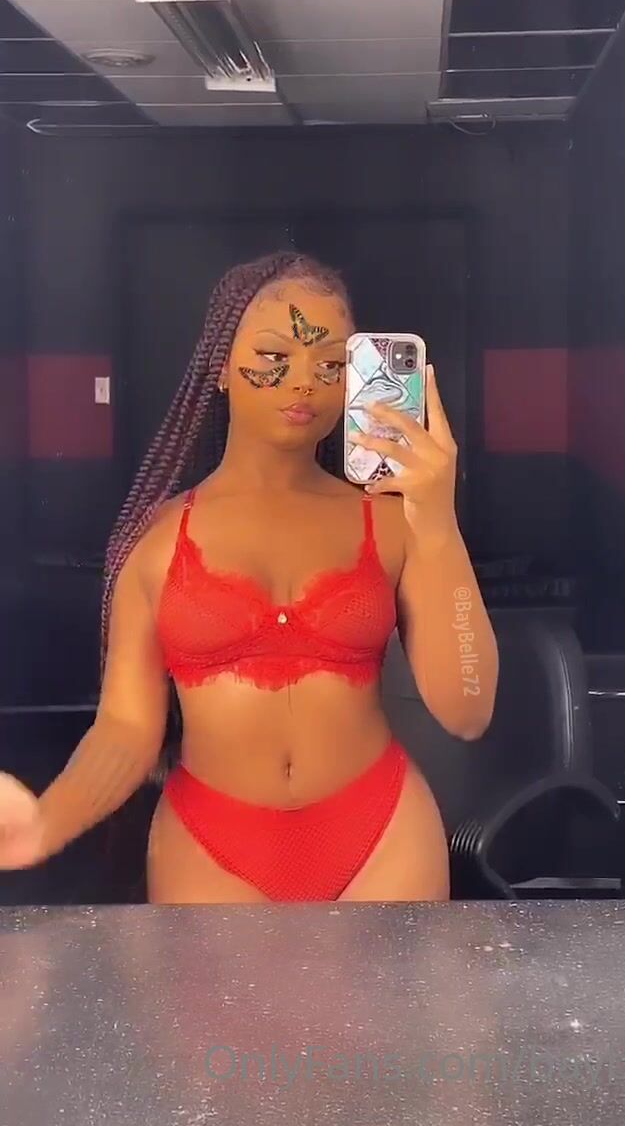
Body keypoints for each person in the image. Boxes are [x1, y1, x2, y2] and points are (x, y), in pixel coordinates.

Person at [0, 252, 498, 902]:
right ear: (220, 367)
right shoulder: (157, 542)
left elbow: (468, 710)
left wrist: (436, 523)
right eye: (274, 356)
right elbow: (125, 730)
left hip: (384, 836)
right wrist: (45, 825)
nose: (305, 383)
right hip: (209, 844)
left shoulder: (392, 522)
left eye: (331, 366)